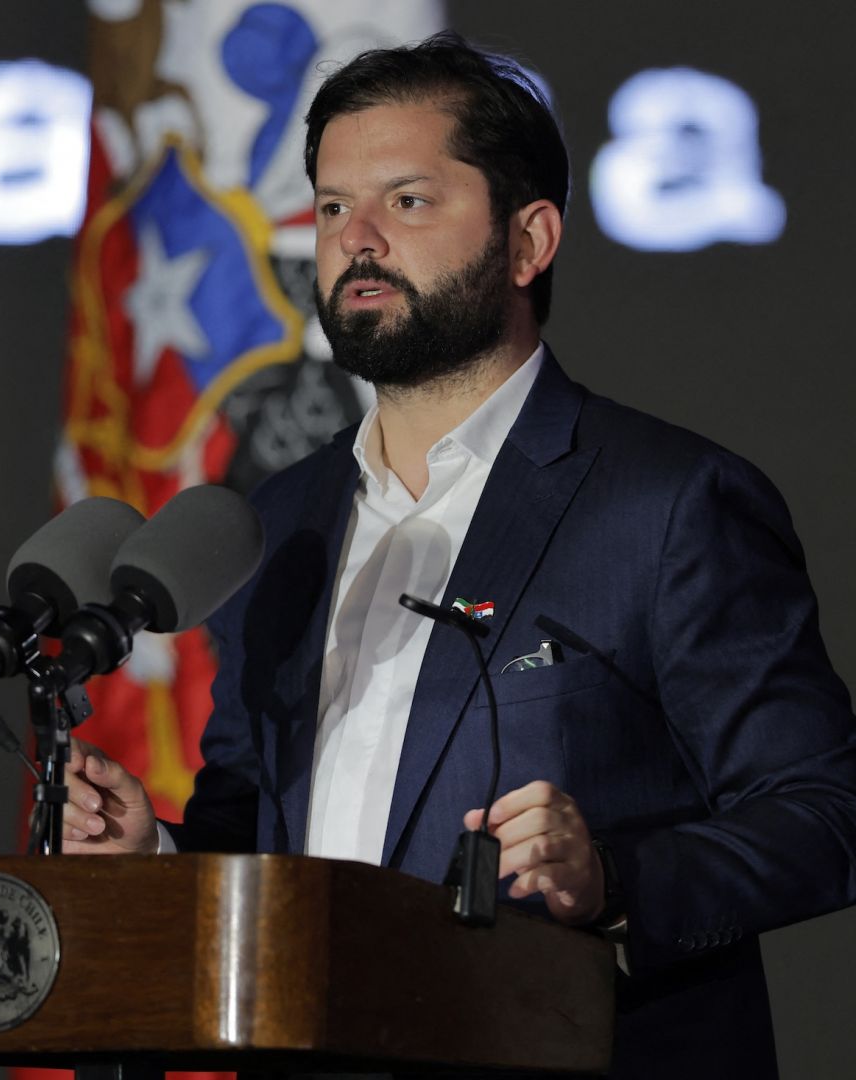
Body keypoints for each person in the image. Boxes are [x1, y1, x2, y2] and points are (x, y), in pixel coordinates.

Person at [62, 32, 856, 1079]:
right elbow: (253, 835)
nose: (356, 239)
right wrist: (155, 855)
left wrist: (613, 879)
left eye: (410, 200)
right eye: (335, 206)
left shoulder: (667, 503)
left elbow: (824, 815)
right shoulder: (284, 518)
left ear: (528, 243)